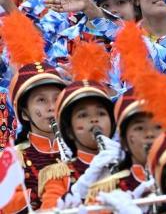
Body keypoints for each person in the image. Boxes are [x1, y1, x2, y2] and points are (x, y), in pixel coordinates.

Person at [39, 41, 120, 209]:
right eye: (83, 115)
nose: (94, 120)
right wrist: (86, 181)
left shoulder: (130, 163)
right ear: (68, 130)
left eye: (101, 113)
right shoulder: (57, 175)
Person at [0, 11, 66, 213]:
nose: (51, 106)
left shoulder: (86, 148)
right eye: (41, 100)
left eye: (57, 98)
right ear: (25, 113)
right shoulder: (13, 159)